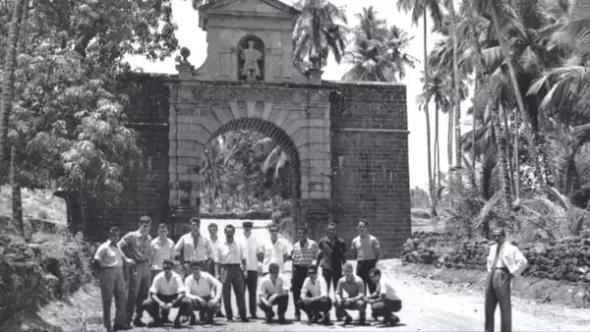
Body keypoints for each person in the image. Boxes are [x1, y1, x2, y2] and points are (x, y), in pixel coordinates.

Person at [485, 228, 528, 332]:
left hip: (503, 275)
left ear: (504, 236)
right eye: (495, 236)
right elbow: (489, 261)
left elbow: (523, 262)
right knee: (488, 306)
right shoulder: (492, 248)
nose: (496, 238)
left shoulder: (512, 249)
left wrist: (512, 273)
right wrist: (489, 271)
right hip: (491, 275)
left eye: (499, 236)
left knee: (504, 306)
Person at [93, 226, 131, 332]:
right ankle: (107, 326)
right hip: (108, 273)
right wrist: (99, 275)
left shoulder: (117, 247)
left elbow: (121, 260)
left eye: (118, 235)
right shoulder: (104, 247)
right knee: (107, 300)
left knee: (122, 298)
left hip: (119, 273)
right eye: (114, 235)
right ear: (109, 235)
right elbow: (96, 261)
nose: (116, 237)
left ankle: (119, 323)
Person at [118, 216, 153, 327]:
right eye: (144, 226)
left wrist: (150, 262)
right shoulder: (132, 236)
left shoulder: (149, 238)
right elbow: (118, 245)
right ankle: (127, 319)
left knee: (144, 293)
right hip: (135, 266)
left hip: (146, 267)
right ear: (139, 225)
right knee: (133, 293)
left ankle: (138, 318)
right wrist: (126, 259)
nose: (145, 228)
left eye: (148, 226)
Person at [141, 260, 190, 328]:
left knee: (187, 302)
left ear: (172, 268)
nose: (166, 270)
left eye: (169, 268)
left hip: (174, 297)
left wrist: (172, 303)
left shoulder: (177, 277)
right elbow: (152, 293)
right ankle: (157, 318)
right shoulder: (158, 277)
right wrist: (160, 302)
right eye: (165, 268)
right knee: (146, 303)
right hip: (162, 297)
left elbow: (182, 293)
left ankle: (178, 318)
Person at [215, 224, 249, 322]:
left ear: (233, 232)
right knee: (226, 294)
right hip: (225, 269)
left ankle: (243, 315)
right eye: (227, 232)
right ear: (225, 233)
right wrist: (217, 274)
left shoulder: (239, 244)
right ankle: (229, 316)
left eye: (230, 232)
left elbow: (243, 258)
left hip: (237, 269)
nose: (229, 234)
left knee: (240, 293)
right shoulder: (220, 246)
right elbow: (217, 261)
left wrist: (245, 270)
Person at [291, 226, 319, 321]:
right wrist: (292, 275)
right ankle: (297, 313)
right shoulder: (295, 245)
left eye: (303, 233)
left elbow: (318, 256)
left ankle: (311, 314)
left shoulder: (313, 244)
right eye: (299, 233)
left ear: (306, 234)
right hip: (297, 271)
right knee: (296, 293)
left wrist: (315, 269)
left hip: (308, 271)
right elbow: (294, 261)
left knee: (309, 292)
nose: (301, 235)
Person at [351, 219, 381, 294]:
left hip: (370, 265)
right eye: (360, 227)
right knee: (360, 288)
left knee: (372, 288)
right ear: (357, 228)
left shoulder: (373, 239)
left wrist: (374, 263)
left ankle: (373, 304)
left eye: (363, 227)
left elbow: (378, 253)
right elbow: (354, 253)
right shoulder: (355, 240)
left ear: (367, 227)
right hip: (360, 266)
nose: (361, 228)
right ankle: (362, 305)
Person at [317, 222, 346, 294]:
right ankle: (326, 304)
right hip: (326, 269)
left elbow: (343, 257)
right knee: (325, 289)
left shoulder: (341, 242)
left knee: (338, 289)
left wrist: (345, 269)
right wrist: (316, 266)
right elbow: (319, 255)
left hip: (337, 269)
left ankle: (338, 304)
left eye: (333, 230)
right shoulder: (322, 241)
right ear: (327, 231)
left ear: (336, 231)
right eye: (330, 230)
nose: (331, 231)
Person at [241, 220, 260, 319]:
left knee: (252, 292)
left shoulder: (256, 239)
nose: (247, 228)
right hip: (241, 269)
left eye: (249, 226)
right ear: (243, 227)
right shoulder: (238, 239)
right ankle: (241, 312)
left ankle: (253, 313)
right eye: (245, 226)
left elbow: (259, 252)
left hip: (253, 268)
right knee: (241, 292)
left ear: (251, 228)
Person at [206, 222, 224, 318]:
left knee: (219, 286)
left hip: (219, 264)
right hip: (209, 263)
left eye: (214, 229)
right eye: (210, 230)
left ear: (217, 230)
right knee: (208, 287)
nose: (212, 231)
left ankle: (219, 310)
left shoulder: (221, 241)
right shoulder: (205, 240)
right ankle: (208, 310)